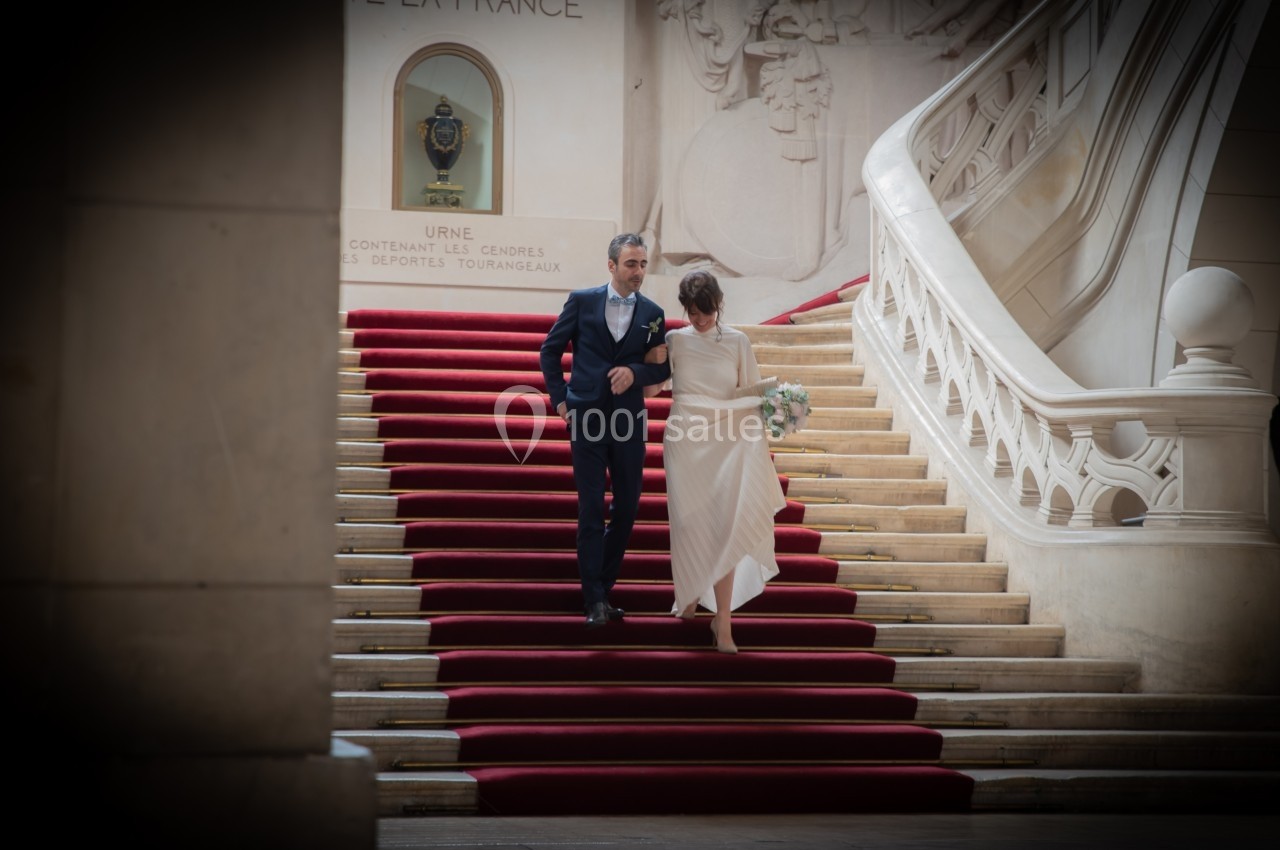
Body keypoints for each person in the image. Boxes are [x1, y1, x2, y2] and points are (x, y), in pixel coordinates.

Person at [644, 270, 787, 653]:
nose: (700, 320)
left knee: (725, 524)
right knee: (689, 522)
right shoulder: (674, 340)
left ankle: (723, 619)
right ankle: (690, 590)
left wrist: (775, 414)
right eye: (693, 313)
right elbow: (652, 389)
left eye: (706, 312)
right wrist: (650, 360)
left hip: (727, 439)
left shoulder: (738, 341)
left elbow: (753, 392)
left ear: (718, 305)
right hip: (685, 438)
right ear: (685, 310)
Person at [540, 233, 671, 629]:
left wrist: (635, 372)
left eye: (643, 264)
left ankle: (603, 587)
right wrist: (561, 401)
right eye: (631, 264)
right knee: (591, 509)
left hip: (630, 420)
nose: (639, 272)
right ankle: (594, 599)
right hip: (587, 417)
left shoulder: (654, 312)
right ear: (611, 265)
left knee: (628, 507)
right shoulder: (581, 301)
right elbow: (550, 350)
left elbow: (662, 369)